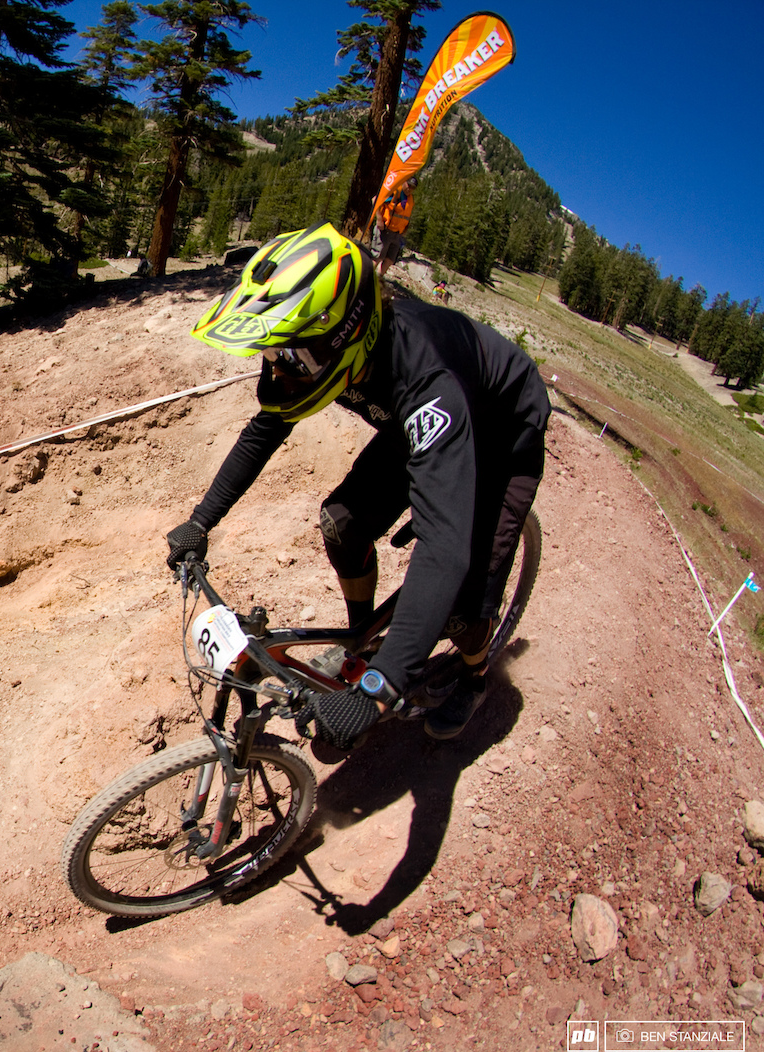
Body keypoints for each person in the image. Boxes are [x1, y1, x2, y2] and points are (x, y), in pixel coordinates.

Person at [164, 222, 550, 743]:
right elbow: (265, 429)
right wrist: (200, 521)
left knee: (462, 603)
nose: (279, 371)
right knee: (341, 524)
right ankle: (361, 640)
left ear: (344, 335)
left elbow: (445, 549)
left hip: (501, 431)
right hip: (414, 424)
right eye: (274, 355)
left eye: (291, 359)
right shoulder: (333, 352)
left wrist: (380, 688)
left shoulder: (424, 382)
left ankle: (475, 672)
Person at [376, 177, 415, 278]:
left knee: (389, 260)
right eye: (408, 185)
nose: (410, 189)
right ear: (404, 182)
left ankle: (377, 280)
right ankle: (365, 280)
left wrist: (406, 228)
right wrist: (379, 219)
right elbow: (375, 201)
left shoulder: (410, 200)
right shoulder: (395, 193)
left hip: (398, 233)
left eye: (413, 187)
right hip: (386, 230)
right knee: (378, 257)